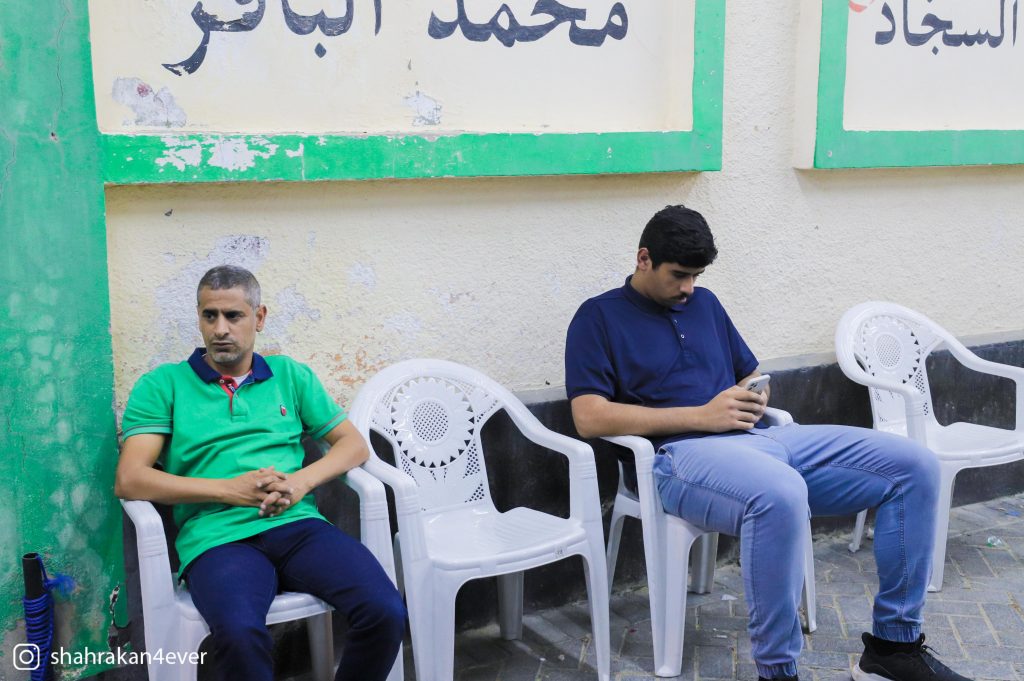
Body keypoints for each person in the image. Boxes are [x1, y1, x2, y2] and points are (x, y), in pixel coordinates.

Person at [565, 206, 970, 681]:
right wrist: (700, 416)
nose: (689, 287)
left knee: (915, 466)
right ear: (643, 259)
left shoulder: (705, 304)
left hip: (762, 439)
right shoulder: (598, 317)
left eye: (696, 276)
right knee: (780, 493)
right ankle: (777, 672)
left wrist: (754, 394)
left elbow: (750, 373)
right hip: (678, 459)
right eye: (679, 275)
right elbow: (588, 416)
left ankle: (893, 648)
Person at [115, 265, 405, 681]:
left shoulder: (290, 375)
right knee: (239, 635)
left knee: (385, 610)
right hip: (218, 539)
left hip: (298, 525)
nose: (220, 329)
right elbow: (130, 478)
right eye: (209, 315)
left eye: (233, 316)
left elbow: (353, 445)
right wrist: (229, 491)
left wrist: (299, 482)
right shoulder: (164, 385)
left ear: (260, 317)